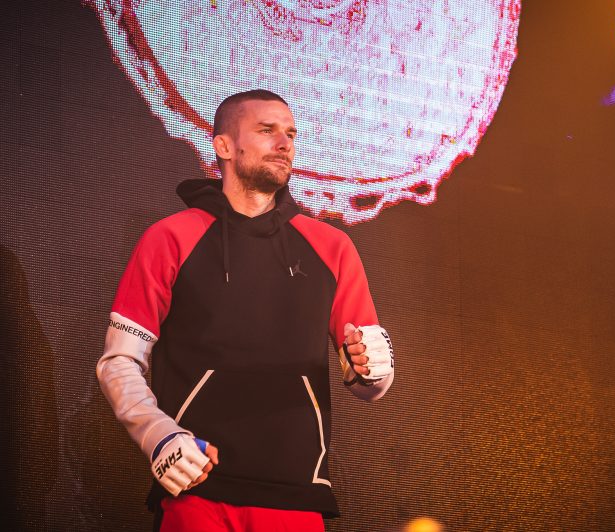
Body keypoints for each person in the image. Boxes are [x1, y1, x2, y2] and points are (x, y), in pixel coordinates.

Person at [96, 89, 395, 531]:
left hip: (298, 492)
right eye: (266, 130)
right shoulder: (170, 237)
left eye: (290, 133)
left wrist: (374, 371)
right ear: (223, 146)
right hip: (198, 486)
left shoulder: (332, 247)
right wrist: (157, 436)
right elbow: (119, 362)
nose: (284, 143)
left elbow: (370, 383)